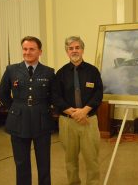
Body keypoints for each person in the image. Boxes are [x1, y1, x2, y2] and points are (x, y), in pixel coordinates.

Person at [0, 36, 56, 185]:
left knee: (44, 162)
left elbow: (53, 95)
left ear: (40, 51)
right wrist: (15, 109)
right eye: (25, 49)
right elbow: (3, 93)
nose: (27, 52)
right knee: (21, 162)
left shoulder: (49, 72)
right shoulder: (11, 70)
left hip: (42, 121)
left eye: (32, 49)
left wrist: (45, 107)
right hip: (18, 121)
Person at [54, 36, 103, 185]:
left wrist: (84, 111)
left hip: (89, 121)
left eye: (77, 47)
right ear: (67, 51)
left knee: (92, 159)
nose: (74, 51)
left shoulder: (93, 71)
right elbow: (56, 97)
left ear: (82, 50)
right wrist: (74, 113)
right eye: (71, 48)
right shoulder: (60, 73)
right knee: (70, 160)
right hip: (67, 122)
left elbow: (98, 93)